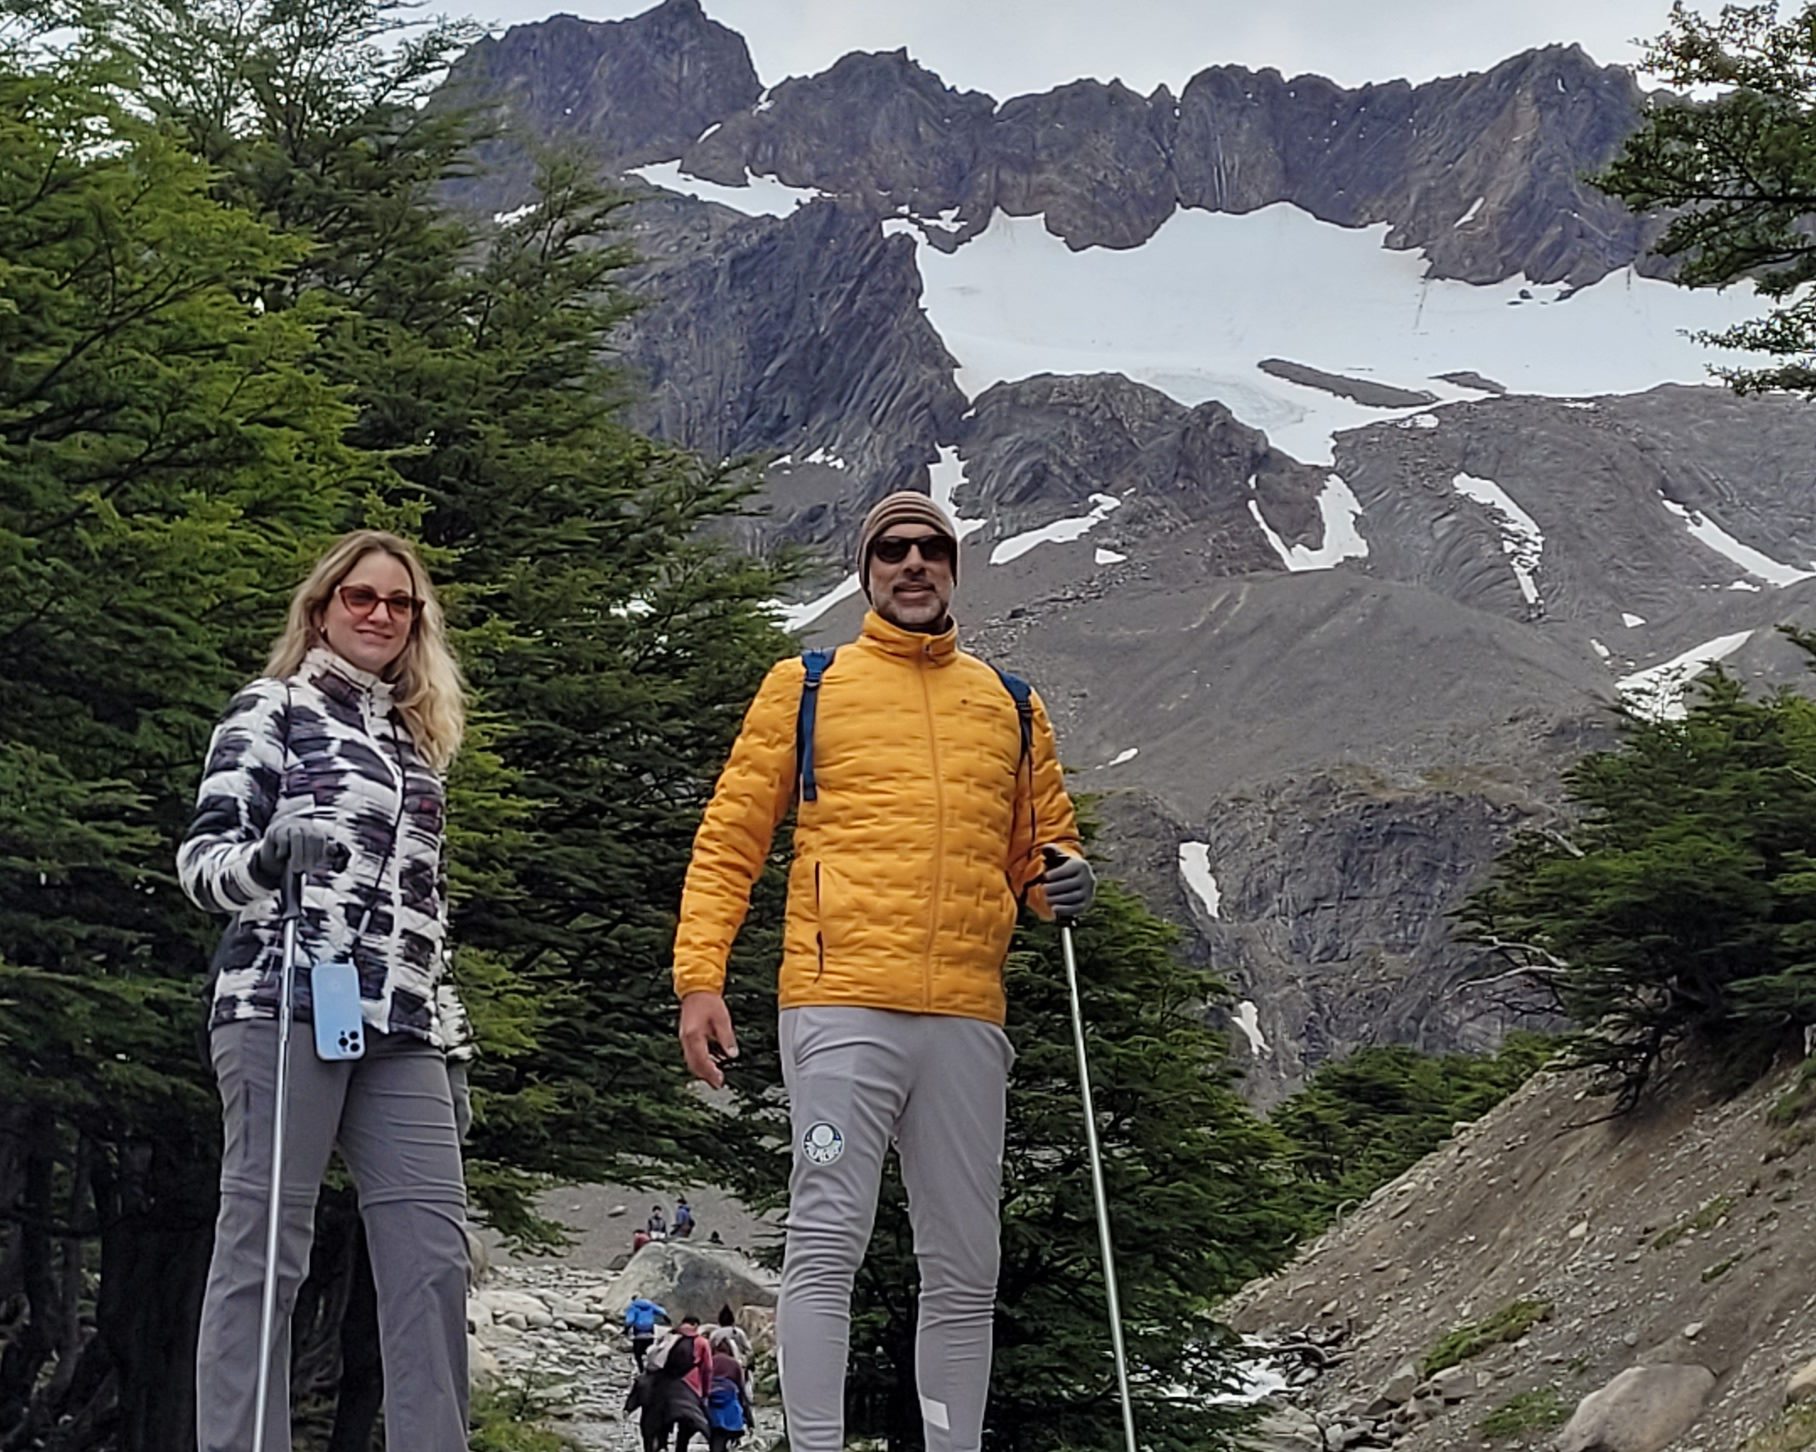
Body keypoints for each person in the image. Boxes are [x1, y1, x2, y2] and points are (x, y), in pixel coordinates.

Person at [672, 492, 1094, 1452]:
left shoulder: (1012, 705)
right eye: (893, 549)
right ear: (867, 571)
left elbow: (1040, 856)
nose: (913, 563)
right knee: (826, 1243)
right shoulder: (807, 685)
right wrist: (700, 978)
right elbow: (730, 841)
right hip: (839, 1008)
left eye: (931, 549)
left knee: (966, 1266)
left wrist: (1066, 879)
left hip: (965, 1020)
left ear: (953, 568)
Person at [179, 529, 475, 1452]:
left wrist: (453, 1043)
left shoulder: (418, 742)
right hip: (280, 1000)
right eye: (361, 597)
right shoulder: (271, 709)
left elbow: (427, 908)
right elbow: (202, 862)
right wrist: (266, 860)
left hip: (403, 1023)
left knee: (432, 1262)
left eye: (400, 603)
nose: (380, 615)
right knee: (266, 1248)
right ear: (321, 609)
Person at [706, 1344, 754, 1452]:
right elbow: (742, 1392)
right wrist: (750, 1420)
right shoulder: (734, 1364)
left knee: (715, 1438)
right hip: (730, 1408)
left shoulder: (709, 1361)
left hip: (711, 1407)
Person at [676, 1314, 715, 1404]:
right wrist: (706, 1392)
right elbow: (708, 1368)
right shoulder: (702, 1342)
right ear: (696, 1325)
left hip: (670, 1385)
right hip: (692, 1385)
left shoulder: (672, 1337)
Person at [625, 1295, 670, 1370]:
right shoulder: (650, 1306)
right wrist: (668, 1320)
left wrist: (626, 1330)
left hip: (638, 1334)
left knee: (638, 1354)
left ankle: (641, 1369)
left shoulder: (633, 1307)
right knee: (649, 1352)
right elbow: (662, 1312)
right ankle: (650, 1369)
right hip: (650, 1333)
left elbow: (629, 1321)